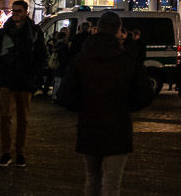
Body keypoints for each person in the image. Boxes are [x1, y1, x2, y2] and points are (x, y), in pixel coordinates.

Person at [58, 10, 155, 196]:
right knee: (112, 184)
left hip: (89, 125)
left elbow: (65, 96)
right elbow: (145, 94)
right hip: (117, 127)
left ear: (97, 29)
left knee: (92, 180)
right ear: (119, 31)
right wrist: (126, 106)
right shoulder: (127, 60)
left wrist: (85, 105)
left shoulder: (81, 59)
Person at [0, 0, 46, 168]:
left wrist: (34, 74)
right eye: (14, 11)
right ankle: (6, 152)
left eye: (18, 11)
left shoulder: (35, 32)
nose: (15, 14)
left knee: (23, 119)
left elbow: (41, 56)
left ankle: (20, 153)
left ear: (26, 12)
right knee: (5, 117)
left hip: (24, 79)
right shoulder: (4, 32)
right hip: (8, 79)